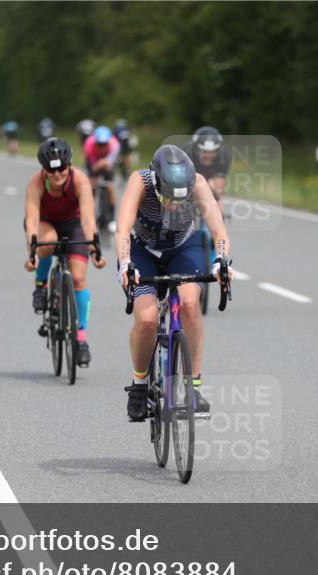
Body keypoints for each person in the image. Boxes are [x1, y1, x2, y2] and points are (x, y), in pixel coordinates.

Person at [117, 145, 232, 421]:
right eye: (167, 198)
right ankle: (140, 385)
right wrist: (125, 263)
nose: (173, 205)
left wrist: (221, 260)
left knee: (191, 305)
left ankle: (193, 388)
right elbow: (122, 229)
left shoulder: (199, 184)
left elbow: (219, 231)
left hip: (183, 248)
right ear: (156, 181)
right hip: (142, 250)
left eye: (179, 200)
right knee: (146, 320)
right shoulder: (140, 181)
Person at [24, 138, 106, 366]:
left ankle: (80, 340)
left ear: (69, 166)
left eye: (61, 168)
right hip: (45, 223)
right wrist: (31, 252)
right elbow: (31, 221)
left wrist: (94, 249)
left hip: (74, 224)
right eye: (52, 169)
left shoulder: (80, 181)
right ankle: (41, 286)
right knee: (47, 242)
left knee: (79, 278)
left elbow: (89, 219)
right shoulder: (36, 184)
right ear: (44, 169)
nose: (57, 173)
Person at [184, 126, 231, 266]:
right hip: (188, 179)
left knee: (218, 210)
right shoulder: (186, 153)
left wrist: (215, 197)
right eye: (204, 152)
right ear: (197, 149)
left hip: (210, 178)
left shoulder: (224, 156)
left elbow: (219, 189)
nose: (208, 155)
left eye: (212, 152)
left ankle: (216, 253)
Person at [83, 126, 121, 223]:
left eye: (104, 144)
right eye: (99, 144)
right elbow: (93, 167)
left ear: (109, 142)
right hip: (94, 161)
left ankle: (112, 217)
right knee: (91, 186)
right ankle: (89, 213)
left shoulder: (115, 145)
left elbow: (109, 165)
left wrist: (104, 163)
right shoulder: (88, 145)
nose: (102, 147)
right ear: (95, 142)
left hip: (107, 163)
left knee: (110, 187)